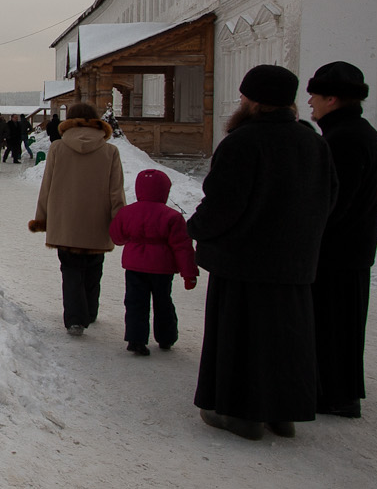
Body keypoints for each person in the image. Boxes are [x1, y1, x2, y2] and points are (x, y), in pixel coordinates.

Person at [189, 64, 337, 441]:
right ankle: (281, 413)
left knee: (242, 337)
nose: (240, 101)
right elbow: (329, 197)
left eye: (243, 96)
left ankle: (241, 415)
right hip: (294, 265)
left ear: (255, 102)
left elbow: (223, 205)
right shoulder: (312, 142)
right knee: (285, 338)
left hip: (244, 264)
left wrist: (194, 228)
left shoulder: (243, 142)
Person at [306, 61, 377, 419]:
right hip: (349, 248)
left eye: (316, 97)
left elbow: (335, 199)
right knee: (340, 323)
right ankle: (336, 391)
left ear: (333, 99)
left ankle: (336, 395)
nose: (311, 103)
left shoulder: (345, 138)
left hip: (338, 250)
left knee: (334, 324)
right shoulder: (357, 132)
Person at [29, 102, 125, 335]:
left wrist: (42, 218)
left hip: (66, 222)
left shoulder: (58, 148)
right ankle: (90, 312)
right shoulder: (110, 151)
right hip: (97, 222)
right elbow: (116, 191)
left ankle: (75, 318)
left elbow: (47, 187)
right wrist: (119, 221)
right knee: (94, 269)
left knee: (70, 270)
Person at [109, 168, 198, 355]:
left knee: (135, 302)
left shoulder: (127, 212)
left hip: (134, 266)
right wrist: (189, 274)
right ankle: (166, 337)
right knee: (163, 301)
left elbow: (117, 237)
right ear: (165, 190)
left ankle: (136, 339)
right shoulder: (172, 217)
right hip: (162, 268)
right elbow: (183, 247)